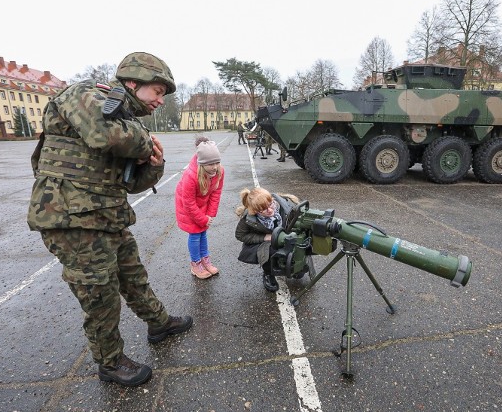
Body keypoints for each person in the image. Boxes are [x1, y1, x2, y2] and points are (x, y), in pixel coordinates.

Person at [27, 52, 193, 387]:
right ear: (133, 82)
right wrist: (146, 144)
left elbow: (133, 183)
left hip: (107, 216)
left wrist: (155, 162)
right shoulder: (87, 94)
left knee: (133, 275)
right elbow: (104, 136)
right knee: (99, 293)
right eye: (158, 91)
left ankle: (158, 323)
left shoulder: (128, 120)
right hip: (70, 218)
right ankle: (110, 362)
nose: (161, 100)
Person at [175, 136, 225, 279]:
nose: (214, 167)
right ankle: (195, 264)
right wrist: (201, 218)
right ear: (202, 164)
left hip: (202, 205)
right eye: (210, 164)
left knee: (203, 232)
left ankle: (205, 260)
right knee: (195, 234)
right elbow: (188, 203)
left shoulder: (220, 172)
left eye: (217, 162)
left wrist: (209, 215)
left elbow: (216, 193)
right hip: (188, 206)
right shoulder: (190, 176)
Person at [235, 187, 299, 292]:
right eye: (263, 210)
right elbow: (240, 235)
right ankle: (268, 274)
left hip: (286, 236)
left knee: (299, 243)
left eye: (270, 205)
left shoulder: (286, 206)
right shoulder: (248, 218)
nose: (269, 210)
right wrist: (264, 237)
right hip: (267, 242)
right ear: (255, 211)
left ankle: (297, 267)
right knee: (268, 253)